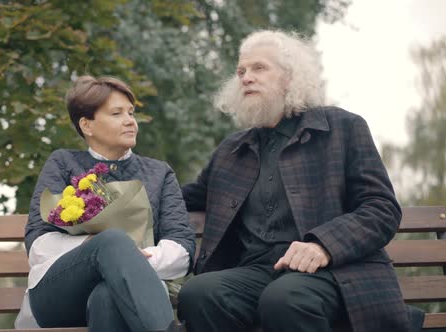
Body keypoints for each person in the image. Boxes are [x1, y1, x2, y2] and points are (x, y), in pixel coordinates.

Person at [177, 30, 413, 332]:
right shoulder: (232, 150)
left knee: (285, 297)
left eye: (259, 68)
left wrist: (323, 246)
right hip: (257, 272)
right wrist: (115, 182)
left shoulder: (342, 128)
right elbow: (182, 197)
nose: (246, 77)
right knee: (201, 293)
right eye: (241, 72)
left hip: (335, 271)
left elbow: (381, 209)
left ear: (290, 77)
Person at [15, 75, 195, 332]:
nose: (130, 121)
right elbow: (38, 246)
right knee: (112, 241)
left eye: (131, 113)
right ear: (87, 125)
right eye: (116, 113)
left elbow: (183, 248)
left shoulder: (159, 173)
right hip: (60, 295)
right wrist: (98, 248)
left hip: (131, 295)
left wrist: (128, 260)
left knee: (108, 296)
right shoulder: (63, 163)